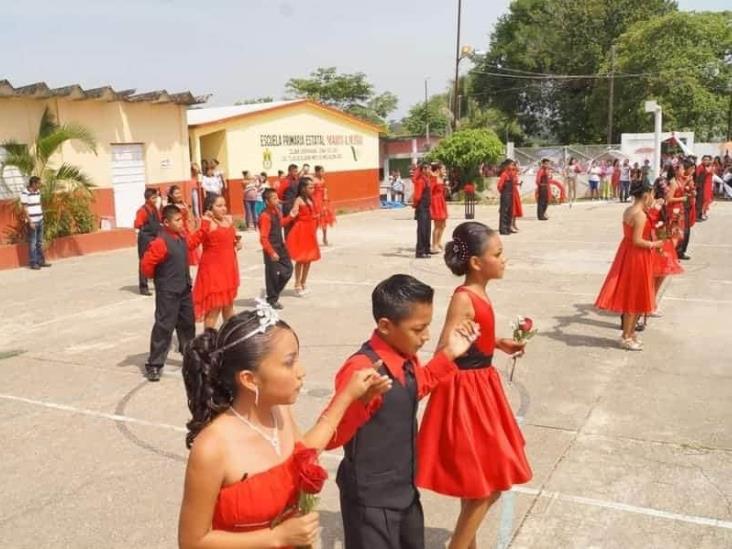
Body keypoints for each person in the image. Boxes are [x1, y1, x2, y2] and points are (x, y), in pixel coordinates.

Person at [178, 306, 393, 548]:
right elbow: (192, 542)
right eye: (289, 363)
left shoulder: (278, 411)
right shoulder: (212, 447)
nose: (301, 372)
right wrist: (275, 538)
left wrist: (349, 397)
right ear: (249, 379)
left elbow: (304, 451)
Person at [325, 274, 479, 549]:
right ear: (385, 325)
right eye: (418, 329)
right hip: (370, 502)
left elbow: (415, 387)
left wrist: (449, 355)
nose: (427, 336)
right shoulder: (362, 369)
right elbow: (330, 434)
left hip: (404, 492)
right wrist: (358, 402)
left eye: (428, 326)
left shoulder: (404, 357)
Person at [417, 221, 532, 549]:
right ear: (477, 263)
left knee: (478, 483)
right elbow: (445, 348)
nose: (504, 259)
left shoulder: (478, 293)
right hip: (466, 393)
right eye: (498, 254)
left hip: (481, 386)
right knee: (486, 489)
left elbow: (471, 335)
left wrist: (496, 343)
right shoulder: (464, 297)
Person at [595, 181, 663, 350]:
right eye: (652, 195)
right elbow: (637, 240)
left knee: (635, 295)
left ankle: (631, 333)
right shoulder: (640, 215)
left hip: (628, 253)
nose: (653, 199)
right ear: (646, 195)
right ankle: (626, 336)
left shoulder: (629, 210)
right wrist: (655, 244)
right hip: (637, 256)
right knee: (634, 296)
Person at [141, 205, 197, 381]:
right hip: (168, 291)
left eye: (181, 220)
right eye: (177, 220)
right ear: (166, 222)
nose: (181, 223)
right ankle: (155, 364)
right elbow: (146, 266)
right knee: (164, 326)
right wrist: (160, 280)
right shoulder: (160, 242)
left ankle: (189, 356)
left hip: (184, 289)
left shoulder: (181, 236)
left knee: (187, 324)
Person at [192, 195, 241, 328]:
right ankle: (208, 342)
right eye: (219, 206)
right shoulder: (207, 223)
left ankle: (229, 338)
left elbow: (232, 238)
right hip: (213, 270)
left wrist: (237, 242)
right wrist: (204, 224)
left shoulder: (228, 220)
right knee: (214, 310)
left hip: (228, 268)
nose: (223, 209)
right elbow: (192, 244)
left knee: (229, 308)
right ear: (210, 208)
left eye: (224, 205)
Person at [259, 189, 294, 310]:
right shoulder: (264, 216)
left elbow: (281, 223)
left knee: (288, 269)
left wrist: (291, 217)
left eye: (276, 197)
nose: (277, 199)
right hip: (271, 248)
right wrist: (271, 252)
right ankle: (272, 299)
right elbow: (263, 238)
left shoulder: (277, 211)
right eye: (273, 198)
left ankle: (273, 294)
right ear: (267, 201)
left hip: (281, 246)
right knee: (272, 275)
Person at [286, 178, 320, 297]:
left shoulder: (311, 199)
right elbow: (294, 213)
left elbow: (313, 213)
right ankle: (297, 284)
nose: (313, 189)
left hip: (310, 231)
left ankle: (304, 282)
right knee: (301, 260)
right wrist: (292, 214)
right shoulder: (298, 200)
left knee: (309, 259)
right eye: (310, 187)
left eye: (313, 187)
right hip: (301, 231)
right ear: (303, 188)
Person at [134, 188, 161, 295]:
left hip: (155, 238)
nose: (155, 200)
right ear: (147, 198)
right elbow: (138, 224)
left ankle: (157, 283)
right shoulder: (142, 211)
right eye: (153, 198)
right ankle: (143, 286)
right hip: (145, 238)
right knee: (143, 262)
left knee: (157, 260)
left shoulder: (155, 209)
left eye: (156, 197)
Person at [21, 176, 51, 270]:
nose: (40, 185)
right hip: (32, 222)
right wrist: (30, 222)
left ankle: (41, 261)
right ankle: (33, 262)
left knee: (39, 242)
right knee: (33, 242)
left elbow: (39, 203)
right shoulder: (25, 193)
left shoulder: (38, 192)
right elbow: (25, 208)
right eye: (38, 183)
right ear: (33, 184)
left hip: (40, 219)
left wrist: (41, 215)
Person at [167, 185, 200, 266]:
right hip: (177, 231)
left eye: (179, 193)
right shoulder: (170, 207)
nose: (179, 195)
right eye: (176, 193)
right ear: (171, 195)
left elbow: (189, 216)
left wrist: (193, 225)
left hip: (186, 230)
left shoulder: (183, 204)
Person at [312, 165, 336, 246]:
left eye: (323, 171)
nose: (323, 173)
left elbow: (325, 188)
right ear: (317, 172)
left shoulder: (322, 180)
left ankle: (325, 238)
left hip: (323, 201)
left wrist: (325, 196)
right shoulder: (313, 180)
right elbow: (311, 191)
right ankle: (313, 239)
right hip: (315, 201)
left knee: (324, 220)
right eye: (321, 171)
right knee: (315, 221)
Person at [412, 163, 432, 258]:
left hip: (427, 207)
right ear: (423, 170)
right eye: (428, 169)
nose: (430, 171)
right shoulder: (420, 181)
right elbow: (417, 196)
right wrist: (416, 206)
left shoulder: (427, 180)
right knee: (422, 230)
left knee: (427, 228)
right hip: (421, 207)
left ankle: (426, 249)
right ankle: (420, 251)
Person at [429, 163, 448, 253]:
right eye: (443, 169)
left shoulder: (441, 178)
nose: (444, 171)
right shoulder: (434, 179)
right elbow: (430, 192)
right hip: (436, 202)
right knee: (437, 225)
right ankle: (434, 245)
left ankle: (439, 242)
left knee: (443, 225)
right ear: (438, 170)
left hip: (441, 201)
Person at [496, 159, 515, 235]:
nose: (512, 166)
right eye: (511, 165)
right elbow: (499, 186)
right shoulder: (504, 174)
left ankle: (508, 227)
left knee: (510, 212)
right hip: (505, 195)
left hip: (510, 194)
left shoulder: (510, 174)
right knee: (504, 212)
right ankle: (503, 229)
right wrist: (503, 193)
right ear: (507, 166)